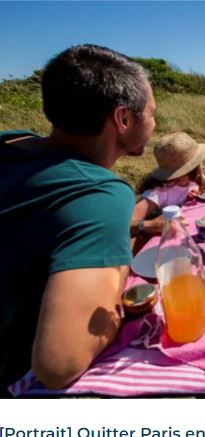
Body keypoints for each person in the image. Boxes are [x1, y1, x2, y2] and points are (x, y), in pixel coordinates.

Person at [0, 44, 156, 395]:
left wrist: (143, 216)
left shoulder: (11, 143)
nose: (154, 122)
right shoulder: (100, 193)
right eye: (151, 112)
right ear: (123, 119)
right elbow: (59, 363)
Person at [130, 132, 205, 248]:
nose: (202, 166)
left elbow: (188, 191)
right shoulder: (158, 192)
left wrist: (192, 193)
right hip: (166, 247)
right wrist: (151, 225)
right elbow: (126, 224)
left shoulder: (193, 180)